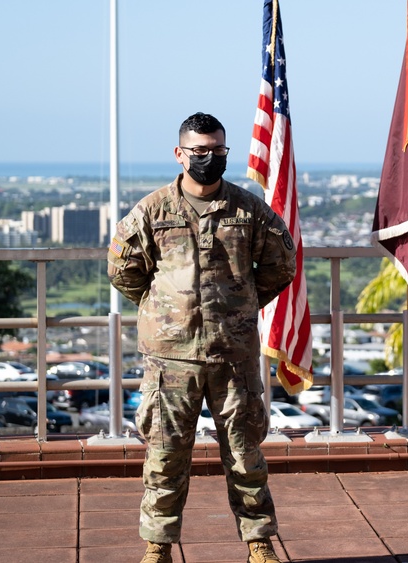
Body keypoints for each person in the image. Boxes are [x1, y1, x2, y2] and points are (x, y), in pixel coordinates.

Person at [108, 112, 295, 563]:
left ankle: (259, 543)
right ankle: (158, 545)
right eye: (199, 151)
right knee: (166, 456)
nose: (209, 159)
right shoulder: (153, 211)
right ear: (180, 154)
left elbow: (280, 266)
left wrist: (240, 305)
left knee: (245, 454)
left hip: (234, 356)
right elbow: (122, 271)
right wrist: (165, 311)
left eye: (217, 151)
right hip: (171, 360)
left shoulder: (249, 211)